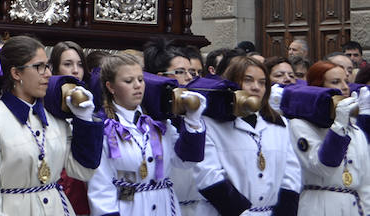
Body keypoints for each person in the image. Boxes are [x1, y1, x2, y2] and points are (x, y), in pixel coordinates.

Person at [0, 36, 101, 216]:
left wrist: (84, 121)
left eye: (47, 66)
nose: (47, 73)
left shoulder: (54, 116)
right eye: (39, 67)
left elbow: (83, 171)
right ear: (16, 73)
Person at [88, 52, 207, 216]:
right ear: (110, 87)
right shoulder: (103, 128)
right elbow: (101, 187)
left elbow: (185, 161)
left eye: (140, 79)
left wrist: (193, 121)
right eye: (128, 81)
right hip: (128, 209)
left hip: (163, 207)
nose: (137, 86)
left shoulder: (157, 124)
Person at [193, 56, 301, 215]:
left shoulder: (278, 123)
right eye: (248, 80)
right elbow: (208, 175)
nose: (256, 87)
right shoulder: (210, 123)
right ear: (232, 83)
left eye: (262, 82)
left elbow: (291, 175)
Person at [284, 61, 370, 215]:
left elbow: (365, 183)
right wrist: (338, 126)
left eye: (346, 81)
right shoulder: (300, 125)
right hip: (319, 205)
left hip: (353, 207)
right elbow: (322, 166)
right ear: (318, 88)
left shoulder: (355, 130)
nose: (344, 87)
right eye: (336, 82)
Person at [48, 40, 91, 216]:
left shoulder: (90, 108)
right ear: (54, 69)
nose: (75, 70)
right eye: (68, 64)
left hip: (83, 192)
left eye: (80, 65)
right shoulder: (46, 111)